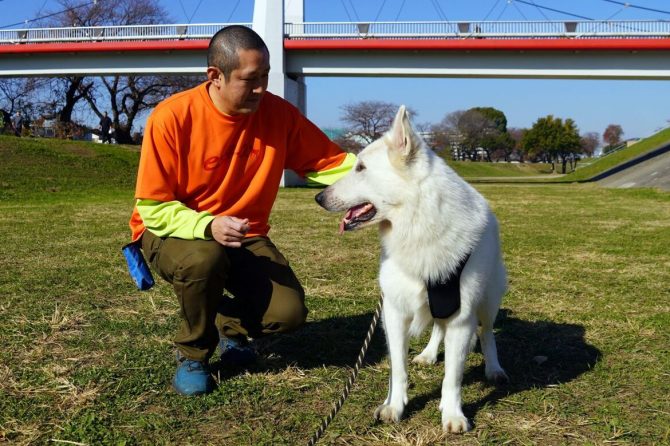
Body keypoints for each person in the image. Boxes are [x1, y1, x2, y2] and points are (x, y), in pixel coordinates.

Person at [128, 25, 355, 396]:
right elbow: (153, 207)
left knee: (288, 314)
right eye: (251, 79)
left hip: (245, 234)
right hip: (171, 231)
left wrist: (386, 174)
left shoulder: (278, 115)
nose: (262, 88)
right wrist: (208, 225)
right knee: (203, 259)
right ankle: (194, 354)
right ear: (215, 76)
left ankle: (228, 326)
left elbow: (330, 163)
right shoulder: (171, 117)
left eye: (265, 77)